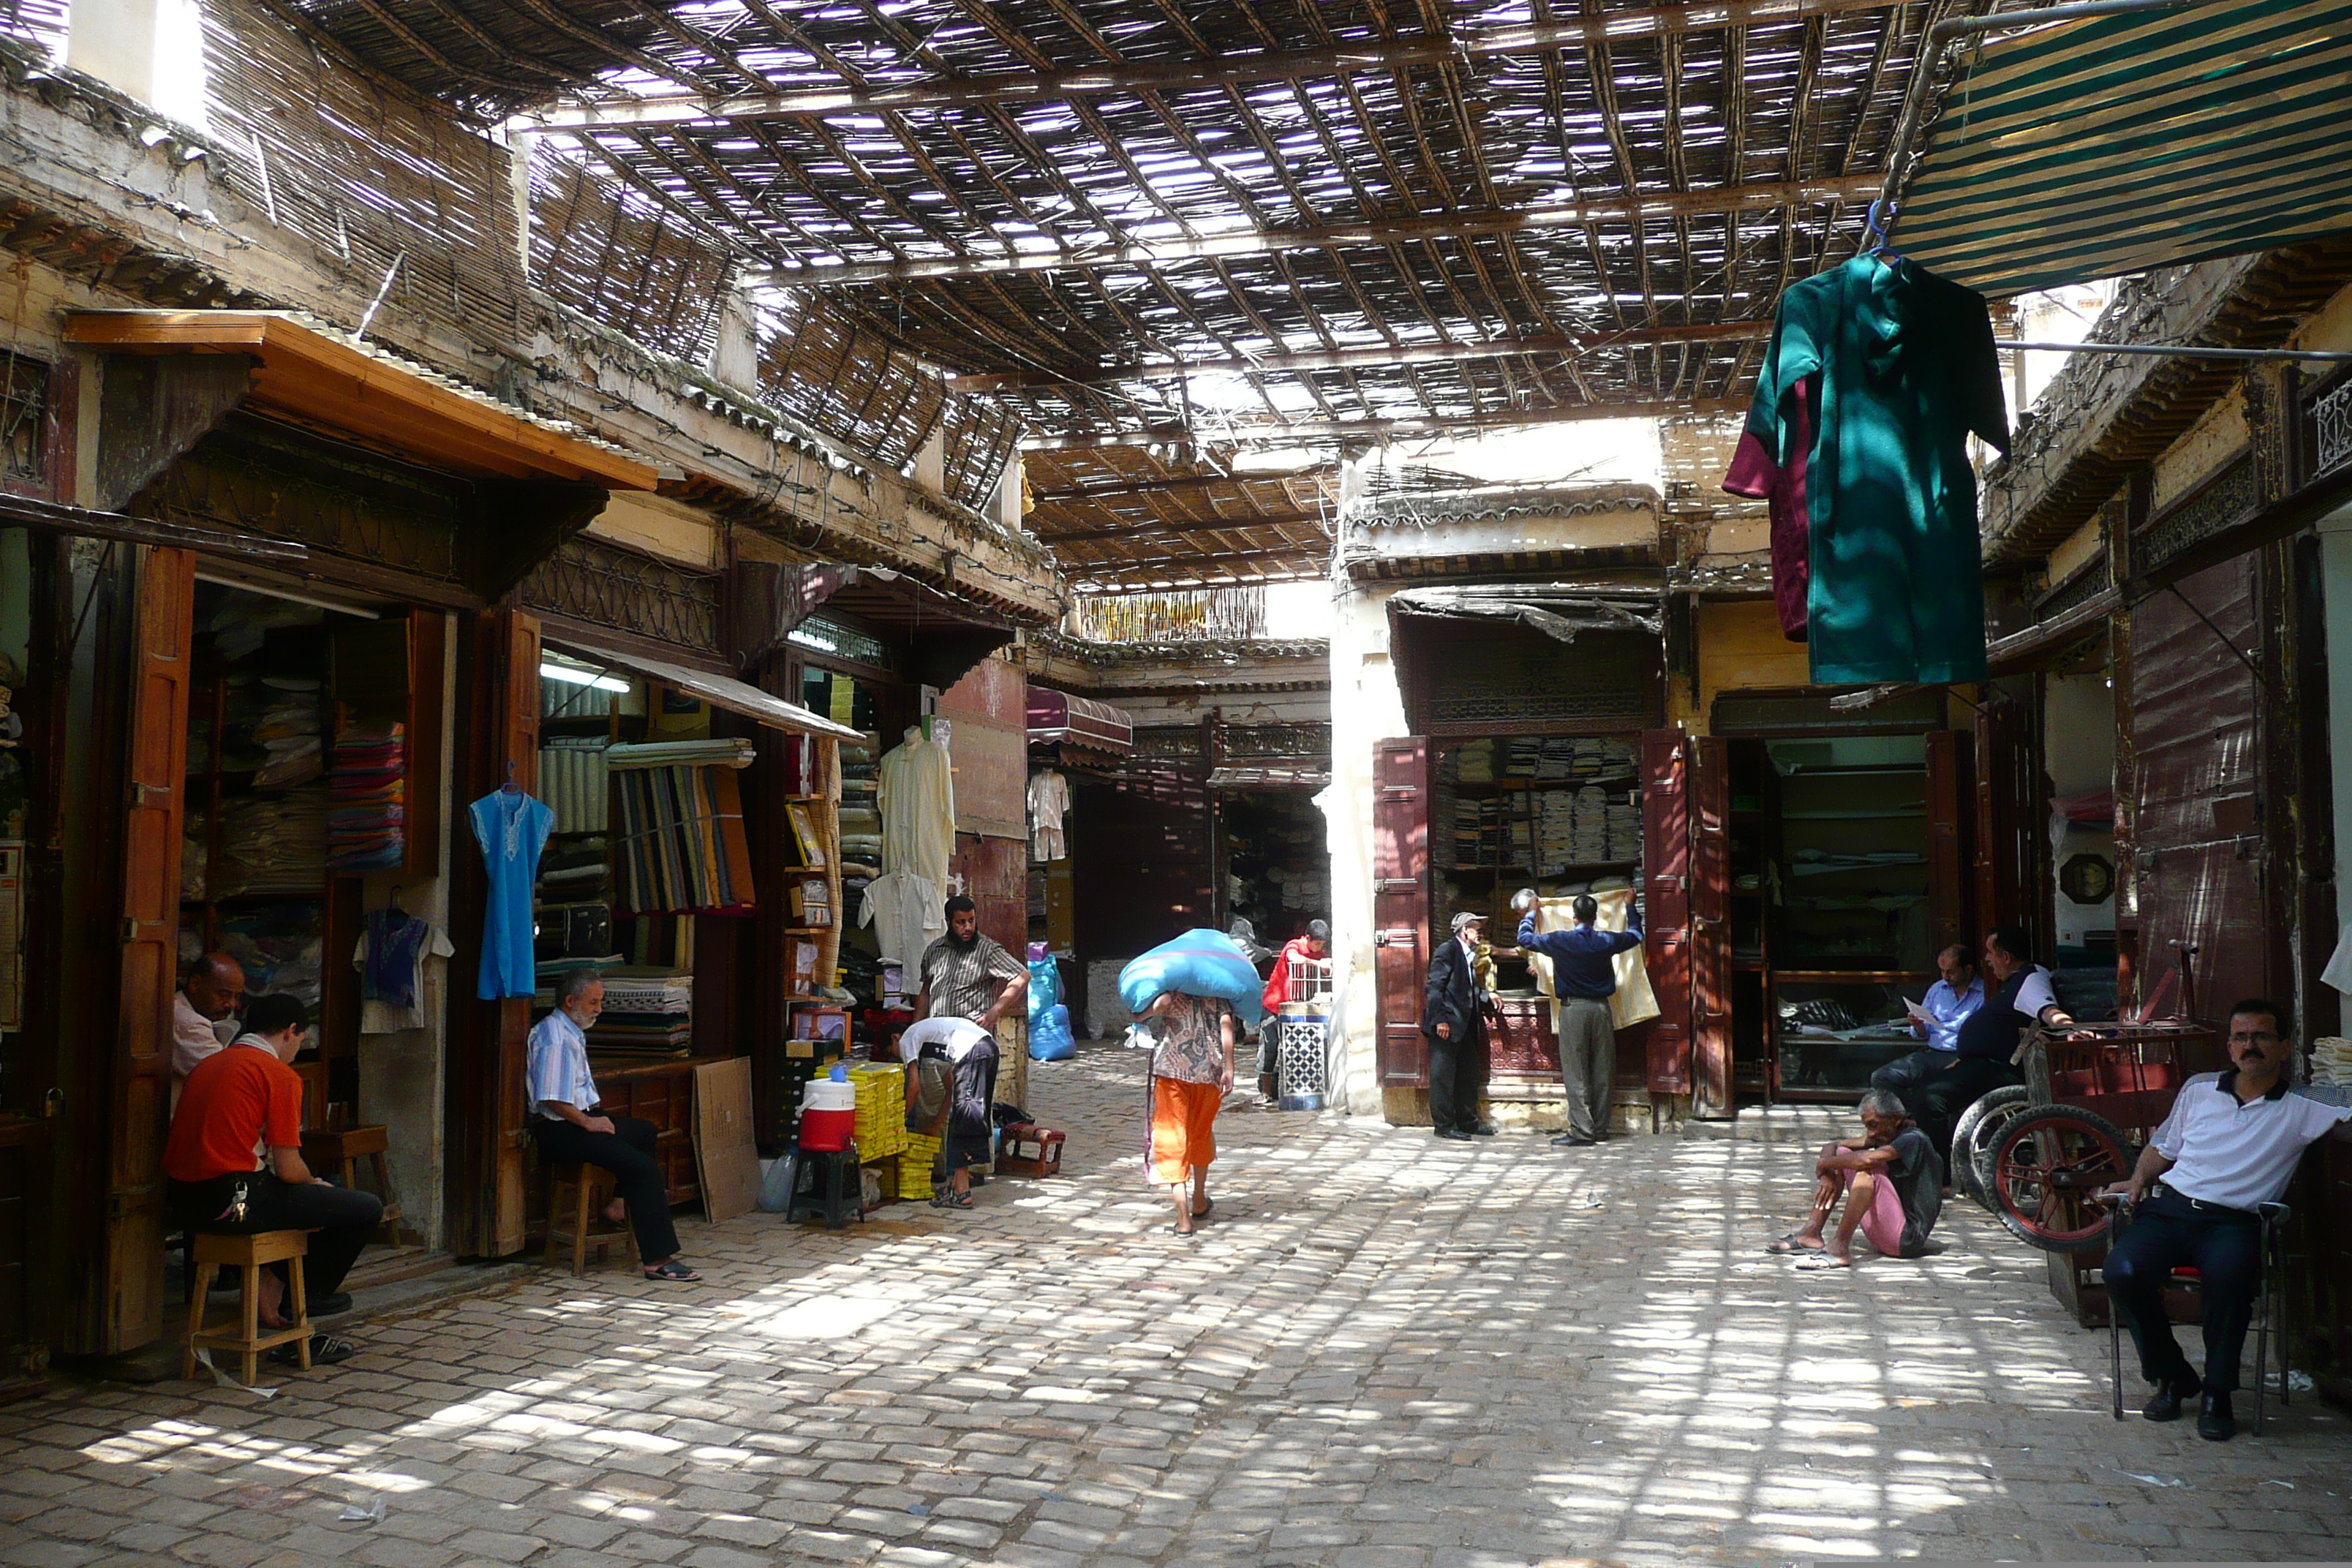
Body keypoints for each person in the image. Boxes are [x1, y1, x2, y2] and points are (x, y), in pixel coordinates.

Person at [2104, 999, 2351, 1441]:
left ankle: (2218, 1392)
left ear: (2283, 1047)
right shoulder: (2199, 1088)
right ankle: (2173, 1376)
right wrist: (2138, 1180)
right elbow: (2164, 1146)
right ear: (2230, 1046)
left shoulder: (2305, 1103)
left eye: (2261, 1037)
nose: (2249, 1046)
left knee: (2231, 1277)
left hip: (2234, 1223)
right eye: (2241, 1037)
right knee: (2122, 1272)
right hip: (2172, 1208)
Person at [164, 992, 382, 1365]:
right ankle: (293, 1310)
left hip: (181, 1202)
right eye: (299, 1041)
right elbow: (289, 1168)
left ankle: (277, 1280)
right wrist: (316, 1185)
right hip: (233, 1200)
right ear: (290, 1032)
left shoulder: (211, 1063)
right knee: (363, 1208)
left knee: (313, 1203)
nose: (297, 1049)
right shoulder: (278, 1074)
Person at [526, 969, 701, 1281]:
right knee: (643, 1169)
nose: (599, 1009)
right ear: (570, 1001)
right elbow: (551, 1098)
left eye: (599, 1002)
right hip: (560, 1129)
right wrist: (588, 1123)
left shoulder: (570, 1031)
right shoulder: (554, 1037)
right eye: (593, 1003)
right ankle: (657, 1260)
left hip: (579, 1120)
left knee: (644, 1131)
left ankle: (618, 1206)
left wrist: (592, 1119)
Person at [1914, 924, 2076, 1162]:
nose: (1987, 959)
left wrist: (2072, 1030)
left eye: (1990, 953)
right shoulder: (2015, 981)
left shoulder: (2031, 979)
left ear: (2006, 957)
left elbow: (2050, 1012)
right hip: (1979, 1063)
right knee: (1920, 1088)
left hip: (1999, 1069)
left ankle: (1943, 1175)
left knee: (1931, 1100)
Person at [1515, 892, 1643, 1147]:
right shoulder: (1605, 940)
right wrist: (1630, 906)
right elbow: (1637, 935)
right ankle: (1600, 1128)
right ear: (1595, 918)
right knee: (1603, 1069)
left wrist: (1531, 912)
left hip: (1574, 1009)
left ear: (1574, 918)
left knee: (1576, 1072)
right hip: (1601, 1009)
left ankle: (1582, 1131)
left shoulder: (1562, 940)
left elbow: (1524, 939)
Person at [1766, 1088, 1944, 1268]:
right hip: (1884, 1233)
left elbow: (1867, 1159)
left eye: (1874, 1125)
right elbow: (1834, 1146)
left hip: (1905, 1240)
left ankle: (1840, 1248)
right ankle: (1811, 1233)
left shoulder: (1914, 1138)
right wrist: (1827, 1172)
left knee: (1866, 1171)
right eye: (1867, 1126)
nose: (1870, 1133)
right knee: (1844, 1155)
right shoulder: (1887, 1134)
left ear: (1896, 1120)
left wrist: (1826, 1164)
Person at [1139, 989, 1235, 1237]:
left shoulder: (1169, 993)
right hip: (1209, 1075)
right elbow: (1227, 1028)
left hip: (1172, 1075)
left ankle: (1183, 1220)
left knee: (1173, 1139)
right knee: (1201, 1134)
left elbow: (1139, 1016)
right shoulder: (1218, 993)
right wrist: (1230, 1068)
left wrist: (1143, 1012)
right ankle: (1200, 1200)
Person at [897, 1016, 1000, 1210]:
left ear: (894, 1038)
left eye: (890, 1052)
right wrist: (936, 1126)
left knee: (966, 1117)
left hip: (972, 1050)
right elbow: (950, 1091)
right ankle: (956, 1185)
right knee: (971, 1114)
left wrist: (897, 1121)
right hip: (988, 1047)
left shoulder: (906, 1039)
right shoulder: (934, 1044)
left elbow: (914, 1087)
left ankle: (962, 1192)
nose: (897, 1058)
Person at [1869, 945, 1986, 1114]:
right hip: (1932, 1052)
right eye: (1942, 971)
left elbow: (1983, 1036)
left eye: (1951, 972)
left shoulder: (1984, 993)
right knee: (1882, 1077)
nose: (1946, 977)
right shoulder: (1938, 990)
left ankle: (1925, 1113)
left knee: (1933, 1088)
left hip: (1962, 1055)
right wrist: (1918, 1025)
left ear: (1968, 969)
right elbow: (1923, 1034)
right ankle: (1917, 1113)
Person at [1422, 911, 1496, 1142]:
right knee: (1443, 1077)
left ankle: (1468, 1123)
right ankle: (1444, 1126)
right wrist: (1440, 1019)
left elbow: (1466, 990)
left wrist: (1487, 997)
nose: (1481, 934)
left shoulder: (1468, 956)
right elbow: (1435, 987)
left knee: (1468, 1075)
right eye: (1477, 929)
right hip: (1447, 1024)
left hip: (1464, 1026)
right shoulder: (1448, 951)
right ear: (1465, 931)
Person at [915, 896, 1028, 1037]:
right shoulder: (934, 949)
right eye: (961, 923)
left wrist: (995, 1011)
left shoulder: (987, 949)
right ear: (948, 922)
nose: (968, 927)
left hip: (972, 1035)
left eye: (971, 921)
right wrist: (916, 1029)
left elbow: (1022, 977)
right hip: (939, 1034)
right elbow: (925, 992)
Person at [1256, 919, 1330, 1097]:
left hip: (1296, 1009)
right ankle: (1264, 1091)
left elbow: (1326, 964)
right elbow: (1293, 958)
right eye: (1317, 943)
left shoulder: (1319, 954)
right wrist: (1318, 964)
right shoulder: (1294, 946)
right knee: (1270, 1049)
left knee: (1291, 1049)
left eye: (1322, 945)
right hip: (1274, 1007)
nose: (1319, 948)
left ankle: (1285, 1090)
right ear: (1307, 938)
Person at [172, 951, 246, 1094]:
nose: (231, 1004)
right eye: (223, 995)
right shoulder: (187, 1022)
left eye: (236, 997)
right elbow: (230, 1079)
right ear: (195, 984)